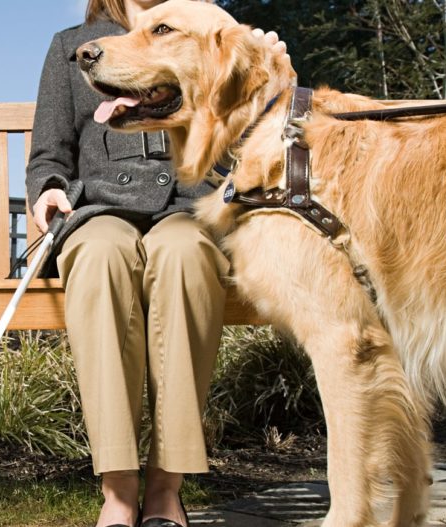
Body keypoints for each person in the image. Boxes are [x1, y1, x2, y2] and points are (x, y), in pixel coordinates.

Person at [26, 2, 286, 526]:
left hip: (192, 208)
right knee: (100, 253)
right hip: (98, 209)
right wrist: (49, 191)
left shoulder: (216, 32)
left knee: (184, 253)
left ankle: (167, 488)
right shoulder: (73, 44)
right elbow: (49, 156)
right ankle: (118, 494)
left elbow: (253, 135)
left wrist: (272, 73)